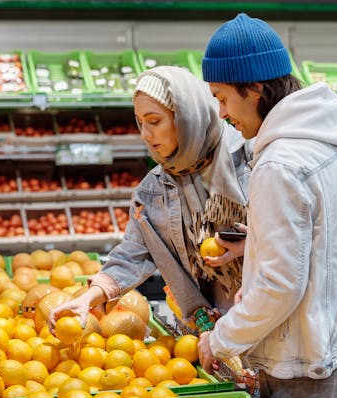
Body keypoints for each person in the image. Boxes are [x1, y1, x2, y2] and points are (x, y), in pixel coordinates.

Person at [198, 13, 337, 398]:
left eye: (222, 97)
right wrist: (253, 248)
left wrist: (221, 339)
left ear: (254, 88)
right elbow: (334, 236)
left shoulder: (278, 163)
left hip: (302, 368)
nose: (220, 112)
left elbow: (281, 285)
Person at [48, 65, 250, 334]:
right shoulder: (153, 191)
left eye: (154, 121)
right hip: (207, 333)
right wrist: (89, 297)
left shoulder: (251, 162)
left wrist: (254, 244)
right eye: (140, 122)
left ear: (187, 118)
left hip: (263, 321)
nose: (145, 134)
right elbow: (133, 254)